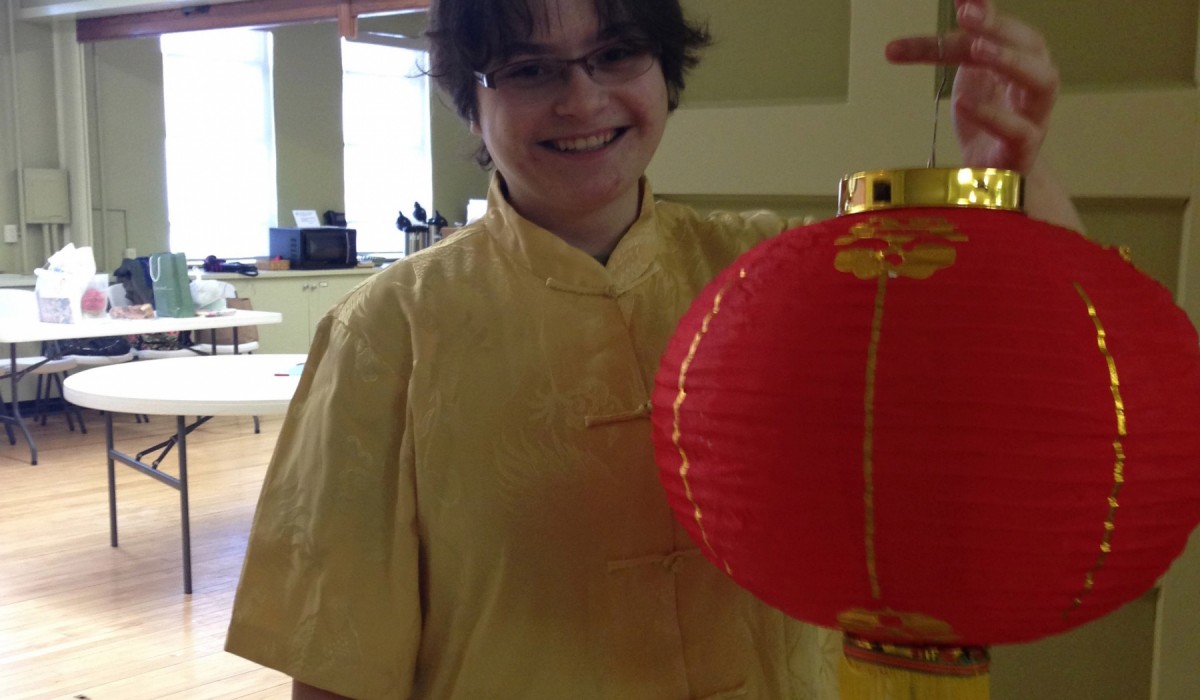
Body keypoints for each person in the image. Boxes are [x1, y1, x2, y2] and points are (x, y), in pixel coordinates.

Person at [225, 0, 1083, 697]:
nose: (582, 99)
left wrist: (1015, 171)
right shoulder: (387, 331)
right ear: (470, 103)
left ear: (664, 75)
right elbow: (338, 664)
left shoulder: (784, 277)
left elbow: (1031, 380)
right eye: (529, 69)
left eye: (617, 54)